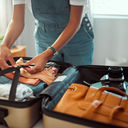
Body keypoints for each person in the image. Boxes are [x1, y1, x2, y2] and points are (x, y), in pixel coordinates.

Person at [0, 0, 94, 73]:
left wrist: (48, 54)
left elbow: (74, 23)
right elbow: (17, 21)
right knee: (47, 84)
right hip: (44, 35)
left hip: (77, 37)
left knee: (77, 81)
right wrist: (4, 45)